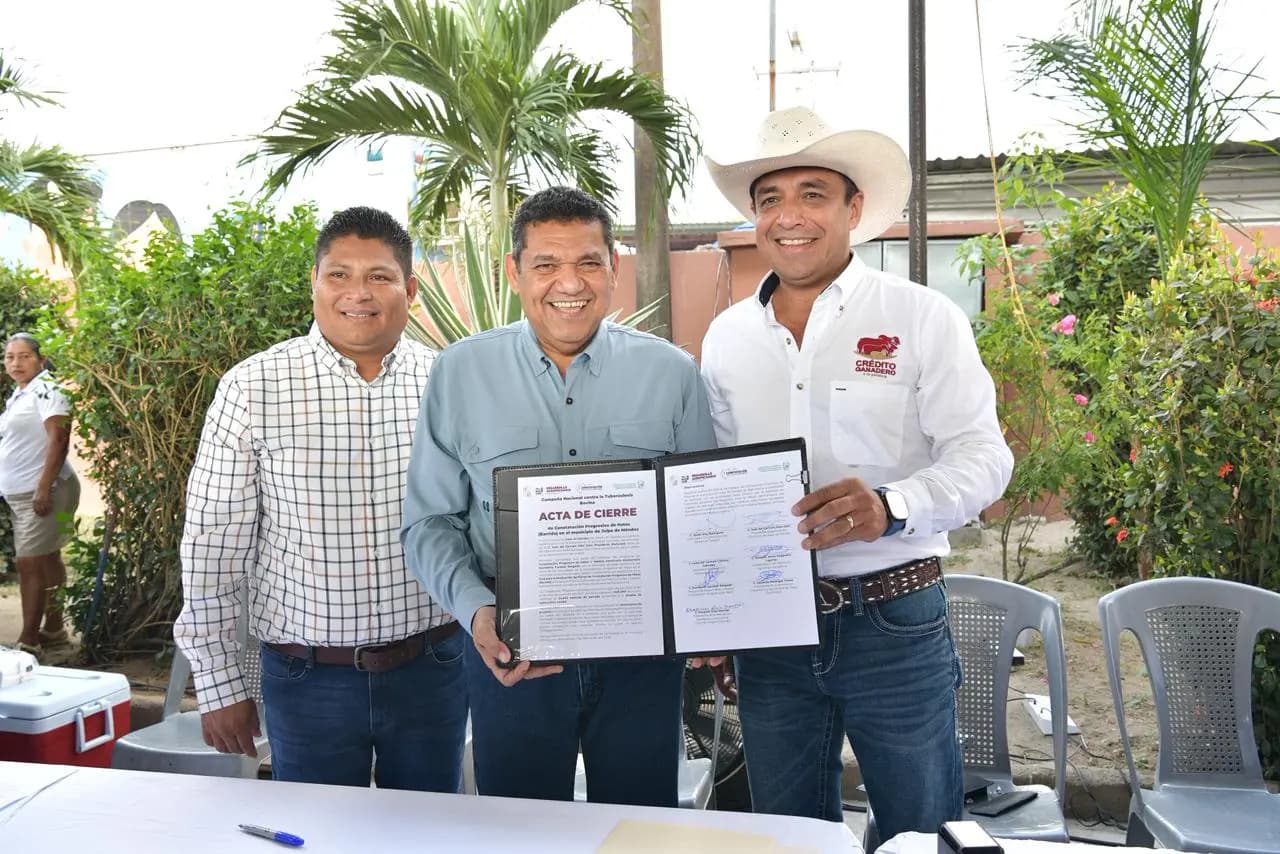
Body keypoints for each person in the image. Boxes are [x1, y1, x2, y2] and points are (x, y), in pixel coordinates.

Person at [700, 106, 1014, 840]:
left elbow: (985, 455)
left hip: (895, 620)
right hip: (773, 630)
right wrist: (716, 610)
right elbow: (714, 487)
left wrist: (892, 504)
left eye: (813, 193)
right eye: (770, 199)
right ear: (755, 216)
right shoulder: (726, 338)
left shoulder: (922, 316)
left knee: (919, 831)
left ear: (854, 208)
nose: (790, 216)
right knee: (789, 834)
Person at [401, 186, 716, 806]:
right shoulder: (459, 373)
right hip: (512, 657)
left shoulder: (672, 374)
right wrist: (477, 612)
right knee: (520, 834)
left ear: (612, 268)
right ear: (516, 271)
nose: (568, 283)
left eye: (588, 263)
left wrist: (715, 613)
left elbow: (703, 515)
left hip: (641, 664)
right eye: (546, 264)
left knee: (638, 836)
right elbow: (430, 522)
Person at [175, 206, 466, 791]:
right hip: (306, 679)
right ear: (314, 283)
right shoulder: (251, 387)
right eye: (339, 274)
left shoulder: (449, 384)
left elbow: (476, 525)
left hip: (434, 669)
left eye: (379, 277)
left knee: (431, 838)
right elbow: (213, 545)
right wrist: (219, 684)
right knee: (314, 837)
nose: (359, 293)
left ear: (409, 289)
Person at [0, 332, 80, 654]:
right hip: (28, 491)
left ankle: (29, 642)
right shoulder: (23, 392)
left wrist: (43, 488)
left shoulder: (48, 389)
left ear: (41, 358)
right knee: (48, 557)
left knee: (29, 564)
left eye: (24, 356)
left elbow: (59, 439)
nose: (16, 363)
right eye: (9, 357)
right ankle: (54, 630)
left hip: (46, 490)